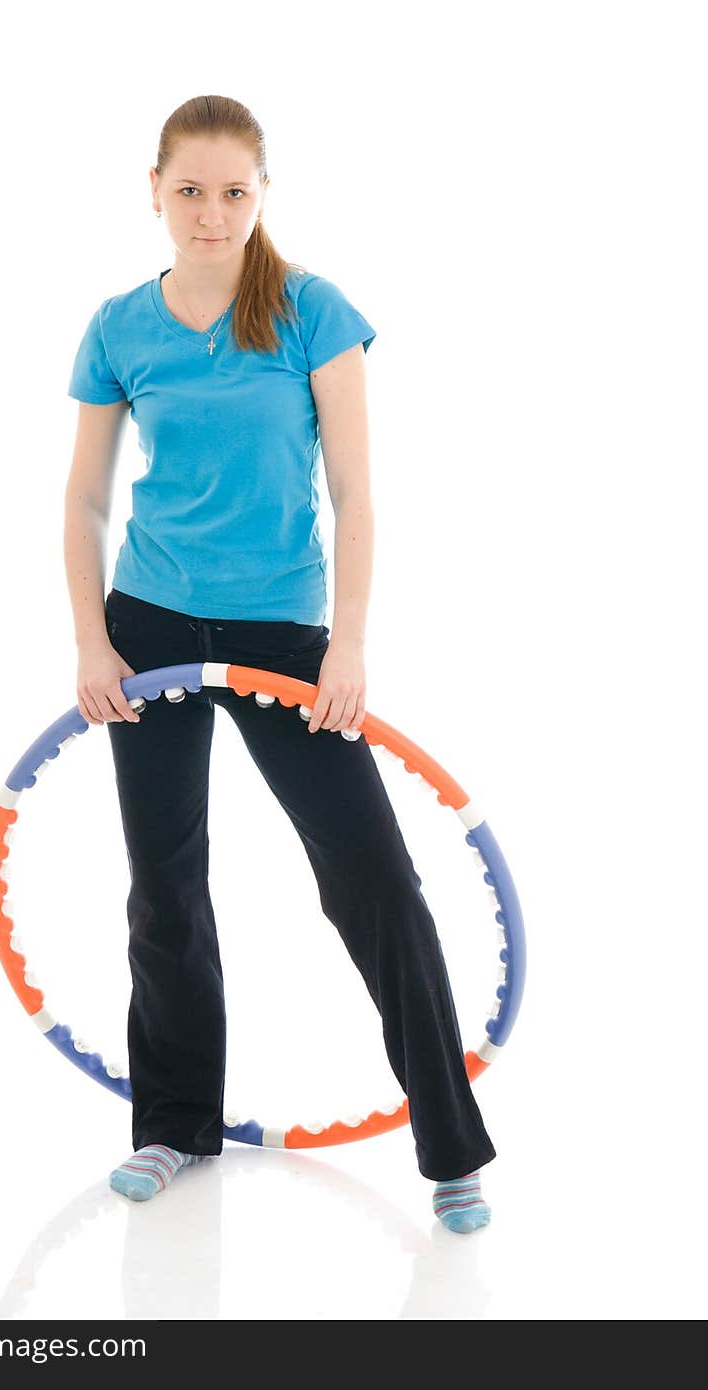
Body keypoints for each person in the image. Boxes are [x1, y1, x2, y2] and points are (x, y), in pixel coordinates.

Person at [64, 95, 495, 1234]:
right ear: (152, 189)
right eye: (191, 190)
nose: (212, 213)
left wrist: (347, 641)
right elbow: (85, 495)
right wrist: (90, 637)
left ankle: (451, 1147)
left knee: (373, 882)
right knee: (163, 890)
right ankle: (171, 1127)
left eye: (234, 191)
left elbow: (354, 492)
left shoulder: (312, 312)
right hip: (149, 624)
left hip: (282, 633)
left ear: (264, 195)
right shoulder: (118, 326)